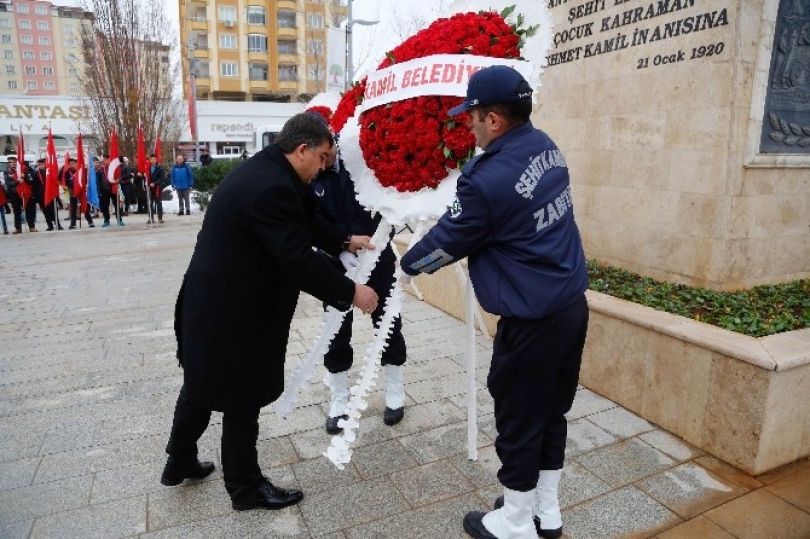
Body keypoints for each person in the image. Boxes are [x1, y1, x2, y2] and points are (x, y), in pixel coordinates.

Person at [401, 66, 589, 539]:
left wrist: (408, 265)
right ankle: (546, 511)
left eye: (473, 115)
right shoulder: (545, 145)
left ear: (495, 119)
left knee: (519, 419)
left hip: (533, 321)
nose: (468, 123)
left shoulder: (488, 179)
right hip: (570, 308)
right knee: (550, 413)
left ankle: (516, 522)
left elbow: (448, 240)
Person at [162, 113, 380, 512]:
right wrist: (353, 293)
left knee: (202, 381)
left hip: (214, 300)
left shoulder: (273, 171)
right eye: (324, 157)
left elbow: (306, 221)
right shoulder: (270, 186)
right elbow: (296, 258)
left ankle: (179, 461)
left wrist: (346, 239)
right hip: (234, 310)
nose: (326, 167)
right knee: (240, 395)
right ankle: (245, 488)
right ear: (302, 150)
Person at [311, 141, 408, 434]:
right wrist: (339, 246)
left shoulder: (360, 160)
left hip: (376, 254)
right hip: (335, 261)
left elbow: (388, 201)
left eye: (325, 155)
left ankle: (395, 391)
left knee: (388, 323)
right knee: (335, 331)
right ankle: (339, 398)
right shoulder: (310, 175)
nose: (321, 162)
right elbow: (310, 219)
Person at [3, 156, 34, 233]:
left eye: (14, 162)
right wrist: (17, 182)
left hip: (25, 192)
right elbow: (8, 183)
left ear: (17, 162)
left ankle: (31, 226)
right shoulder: (7, 172)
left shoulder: (24, 170)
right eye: (11, 162)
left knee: (29, 210)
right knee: (17, 212)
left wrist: (25, 177)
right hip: (14, 193)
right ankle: (18, 228)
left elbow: (30, 181)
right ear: (8, 163)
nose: (13, 163)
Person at [64, 157, 95, 229]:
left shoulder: (82, 170)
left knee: (84, 207)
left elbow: (85, 180)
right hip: (72, 192)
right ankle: (73, 224)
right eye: (70, 164)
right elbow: (67, 182)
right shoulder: (67, 172)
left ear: (76, 163)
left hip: (81, 191)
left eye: (73, 163)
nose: (71, 165)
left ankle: (90, 222)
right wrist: (74, 185)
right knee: (73, 208)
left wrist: (80, 185)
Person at [30, 158, 60, 231]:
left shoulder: (50, 172)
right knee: (45, 212)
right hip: (41, 196)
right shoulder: (36, 174)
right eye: (39, 165)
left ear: (45, 164)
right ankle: (50, 225)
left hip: (51, 194)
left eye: (42, 164)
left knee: (54, 210)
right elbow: (34, 185)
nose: (40, 166)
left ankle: (58, 224)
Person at [148, 154, 166, 223]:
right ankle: (151, 218)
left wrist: (154, 183)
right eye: (151, 159)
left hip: (157, 188)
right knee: (150, 203)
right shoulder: (148, 168)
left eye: (154, 159)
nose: (152, 161)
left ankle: (160, 218)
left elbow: (162, 178)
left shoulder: (160, 168)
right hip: (150, 188)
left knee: (158, 203)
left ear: (156, 160)